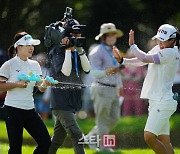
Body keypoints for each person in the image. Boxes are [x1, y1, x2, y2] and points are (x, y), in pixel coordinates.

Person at [113, 24, 180, 154]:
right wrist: (123, 61)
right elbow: (142, 61)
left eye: (163, 40)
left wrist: (133, 46)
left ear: (172, 40)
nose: (160, 42)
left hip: (163, 102)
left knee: (148, 136)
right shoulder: (159, 48)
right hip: (157, 100)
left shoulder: (170, 52)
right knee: (164, 140)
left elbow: (144, 58)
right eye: (159, 39)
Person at [0, 32, 51, 154]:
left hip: (30, 110)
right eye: (28, 45)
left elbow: (40, 88)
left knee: (46, 143)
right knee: (15, 149)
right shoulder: (9, 65)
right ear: (18, 46)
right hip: (13, 110)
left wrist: (45, 85)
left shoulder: (35, 65)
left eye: (32, 45)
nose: (31, 48)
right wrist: (17, 84)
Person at [48, 20, 90, 154]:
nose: (76, 38)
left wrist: (80, 50)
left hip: (71, 100)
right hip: (60, 101)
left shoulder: (77, 50)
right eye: (73, 35)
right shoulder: (57, 51)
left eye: (79, 35)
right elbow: (65, 72)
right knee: (77, 135)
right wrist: (67, 50)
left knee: (57, 140)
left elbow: (87, 69)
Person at [87, 23, 124, 152]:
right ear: (103, 37)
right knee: (103, 120)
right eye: (108, 35)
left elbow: (118, 70)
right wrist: (107, 72)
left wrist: (120, 86)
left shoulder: (115, 50)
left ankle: (91, 137)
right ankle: (105, 146)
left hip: (113, 88)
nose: (112, 37)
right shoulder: (96, 51)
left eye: (113, 34)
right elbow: (93, 72)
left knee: (115, 118)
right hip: (101, 88)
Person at [122, 50, 146, 116]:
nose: (132, 58)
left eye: (133, 57)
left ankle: (139, 121)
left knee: (139, 108)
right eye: (130, 57)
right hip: (127, 91)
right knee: (127, 107)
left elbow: (140, 77)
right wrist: (133, 78)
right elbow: (122, 77)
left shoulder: (140, 66)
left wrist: (129, 77)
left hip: (137, 90)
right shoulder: (124, 67)